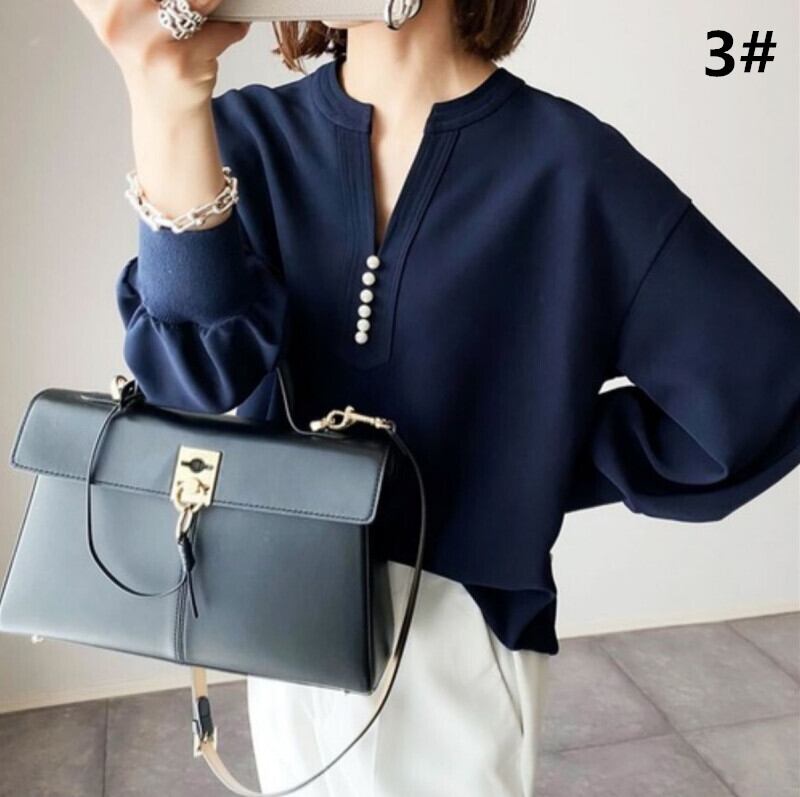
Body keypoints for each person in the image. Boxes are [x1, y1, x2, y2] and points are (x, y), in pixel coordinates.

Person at [73, 1, 800, 795]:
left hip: (457, 634)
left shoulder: (569, 165)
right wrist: (164, 95)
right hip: (285, 609)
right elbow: (193, 380)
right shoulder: (245, 138)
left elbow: (765, 388)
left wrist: (526, 462)